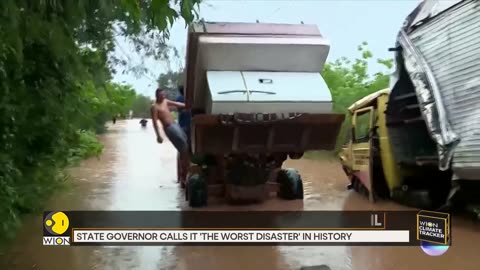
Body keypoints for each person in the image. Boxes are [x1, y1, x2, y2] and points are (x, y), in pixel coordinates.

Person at [151, 88, 189, 183]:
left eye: (164, 95)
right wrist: (158, 135)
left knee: (185, 145)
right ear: (157, 96)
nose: (163, 97)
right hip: (169, 128)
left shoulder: (165, 101)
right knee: (183, 148)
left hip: (175, 125)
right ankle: (184, 175)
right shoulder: (154, 107)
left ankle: (182, 174)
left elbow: (177, 104)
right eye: (161, 95)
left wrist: (186, 106)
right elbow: (155, 123)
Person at [175, 85, 191, 185]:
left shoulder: (181, 98)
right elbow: (181, 110)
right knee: (184, 151)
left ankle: (182, 176)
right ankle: (182, 176)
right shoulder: (181, 98)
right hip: (184, 127)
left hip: (185, 127)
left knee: (184, 151)